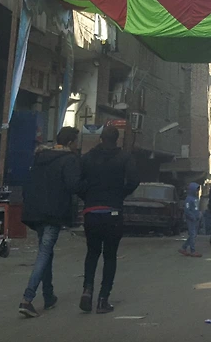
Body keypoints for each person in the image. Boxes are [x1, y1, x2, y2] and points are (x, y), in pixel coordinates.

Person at [18, 127, 82, 318]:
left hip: (35, 211)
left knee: (46, 252)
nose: (77, 146)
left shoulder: (40, 157)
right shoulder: (69, 160)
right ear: (70, 143)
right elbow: (73, 185)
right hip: (53, 212)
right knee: (44, 252)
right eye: (76, 142)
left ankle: (48, 295)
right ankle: (27, 298)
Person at [77, 126, 139, 314]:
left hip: (91, 212)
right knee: (110, 256)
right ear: (117, 139)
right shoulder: (125, 158)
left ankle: (87, 289)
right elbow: (134, 180)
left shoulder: (87, 158)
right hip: (113, 212)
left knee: (92, 253)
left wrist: (88, 197)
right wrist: (120, 194)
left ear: (100, 138)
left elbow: (77, 182)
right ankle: (103, 300)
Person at [179, 183, 202, 258]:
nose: (197, 192)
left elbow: (196, 208)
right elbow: (187, 210)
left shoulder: (196, 198)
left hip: (196, 219)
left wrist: (199, 214)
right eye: (196, 190)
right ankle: (192, 251)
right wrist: (192, 217)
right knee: (192, 234)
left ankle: (184, 248)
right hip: (191, 219)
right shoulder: (188, 199)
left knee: (193, 235)